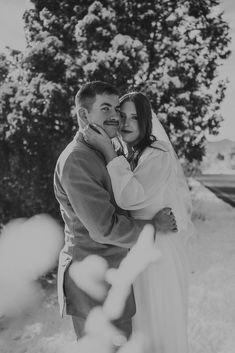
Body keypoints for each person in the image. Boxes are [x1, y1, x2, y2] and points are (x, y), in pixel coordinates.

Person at [53, 82, 177, 341]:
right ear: (84, 115)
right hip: (91, 282)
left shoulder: (103, 150)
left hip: (113, 276)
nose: (114, 116)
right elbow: (104, 228)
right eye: (105, 108)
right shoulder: (77, 159)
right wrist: (153, 226)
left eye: (116, 109)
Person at [84, 91, 194, 353]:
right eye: (122, 116)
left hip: (159, 255)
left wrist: (109, 153)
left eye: (135, 117)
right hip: (138, 248)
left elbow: (130, 198)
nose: (126, 123)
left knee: (157, 326)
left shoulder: (158, 153)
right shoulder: (132, 152)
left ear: (146, 121)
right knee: (140, 327)